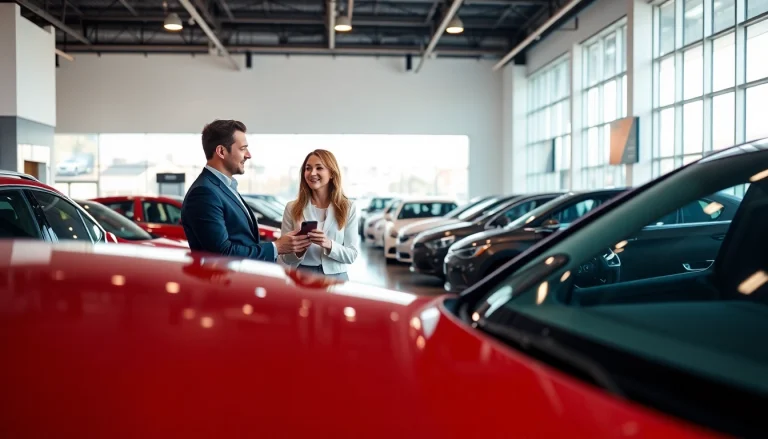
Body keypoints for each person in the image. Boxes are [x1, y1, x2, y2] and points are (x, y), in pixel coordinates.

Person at [181, 119, 310, 261]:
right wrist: (276, 247)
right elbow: (222, 253)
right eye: (243, 148)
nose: (248, 155)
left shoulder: (225, 187)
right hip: (226, 275)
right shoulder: (204, 193)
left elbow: (242, 241)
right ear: (221, 151)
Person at [279, 149, 359, 280]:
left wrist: (328, 244)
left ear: (332, 173)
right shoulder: (292, 208)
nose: (312, 173)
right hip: (302, 276)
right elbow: (285, 257)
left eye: (319, 168)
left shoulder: (348, 207)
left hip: (337, 278)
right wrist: (299, 250)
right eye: (308, 168)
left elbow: (352, 255)